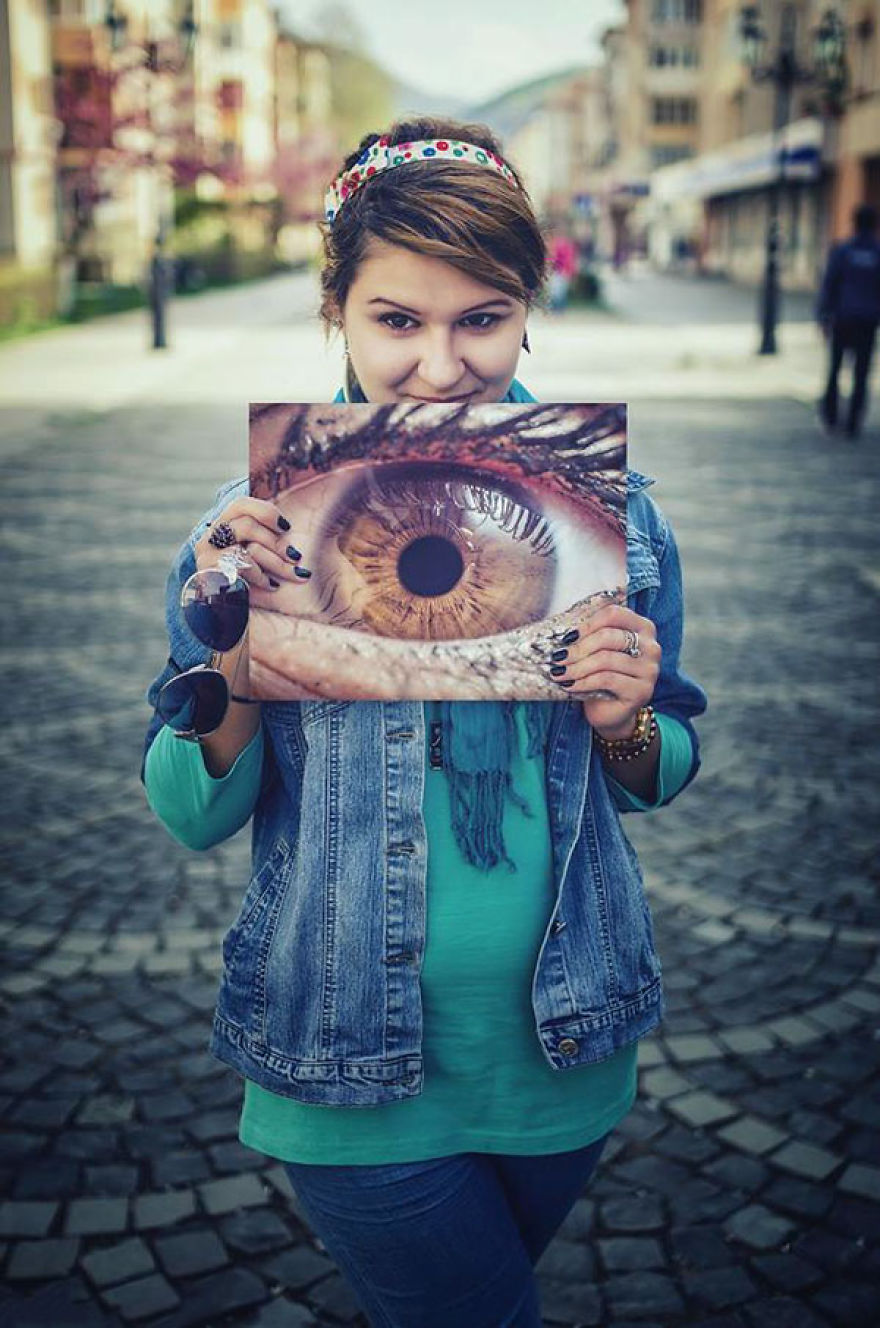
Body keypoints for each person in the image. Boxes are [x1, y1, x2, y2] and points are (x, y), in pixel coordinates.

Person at [142, 116, 707, 1328]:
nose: (442, 365)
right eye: (397, 319)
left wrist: (622, 717)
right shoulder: (252, 526)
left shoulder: (622, 520)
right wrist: (240, 652)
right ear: (334, 312)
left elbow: (658, 766)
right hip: (346, 1058)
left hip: (564, 1046)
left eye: (481, 318)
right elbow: (190, 810)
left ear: (527, 309)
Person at [817, 202, 880, 438]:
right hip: (867, 322)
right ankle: (853, 422)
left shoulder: (843, 251)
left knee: (834, 368)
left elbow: (829, 285)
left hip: (843, 319)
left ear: (854, 223)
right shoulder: (877, 253)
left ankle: (831, 416)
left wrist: (823, 317)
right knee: (861, 373)